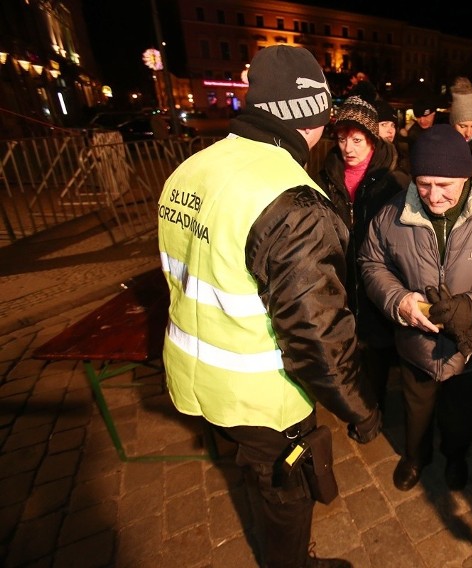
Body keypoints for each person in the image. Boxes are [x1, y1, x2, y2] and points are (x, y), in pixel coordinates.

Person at [156, 46, 381, 568]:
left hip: (196, 377)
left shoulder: (190, 169)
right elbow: (316, 335)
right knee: (284, 491)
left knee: (254, 469)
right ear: (315, 116)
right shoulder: (292, 200)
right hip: (262, 395)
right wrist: (360, 407)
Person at [359, 124, 472, 492]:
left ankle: (456, 455)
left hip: (471, 351)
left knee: (463, 414)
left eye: (445, 185)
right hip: (415, 347)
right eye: (424, 184)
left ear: (465, 177)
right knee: (416, 410)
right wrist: (400, 301)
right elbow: (371, 263)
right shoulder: (391, 213)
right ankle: (415, 456)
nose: (434, 196)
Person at [314, 95, 407, 412]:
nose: (348, 148)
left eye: (356, 139)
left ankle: (374, 405)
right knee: (344, 348)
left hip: (377, 282)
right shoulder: (325, 180)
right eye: (341, 139)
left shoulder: (393, 183)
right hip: (339, 281)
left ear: (371, 139)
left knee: (377, 350)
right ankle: (352, 401)